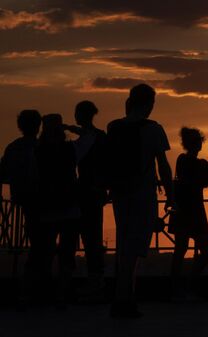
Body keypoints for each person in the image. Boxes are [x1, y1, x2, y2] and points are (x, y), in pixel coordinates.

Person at [107, 84, 174, 318]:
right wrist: (170, 192)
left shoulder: (113, 127)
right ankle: (124, 299)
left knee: (124, 244)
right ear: (149, 104)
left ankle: (122, 297)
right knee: (134, 249)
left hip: (119, 193)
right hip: (142, 193)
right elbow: (163, 165)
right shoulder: (154, 130)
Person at [35, 114, 83, 306]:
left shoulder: (37, 151)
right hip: (69, 206)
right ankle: (63, 291)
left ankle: (46, 291)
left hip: (46, 206)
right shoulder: (70, 148)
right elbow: (88, 137)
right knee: (67, 252)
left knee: (46, 251)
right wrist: (72, 127)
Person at [64, 101, 108, 298]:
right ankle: (95, 279)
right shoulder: (100, 137)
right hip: (94, 192)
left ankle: (89, 280)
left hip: (86, 191)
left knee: (82, 236)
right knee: (92, 237)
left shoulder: (90, 138)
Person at [1, 110, 43, 301]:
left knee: (32, 243)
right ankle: (33, 288)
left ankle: (27, 287)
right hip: (40, 200)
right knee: (40, 245)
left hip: (21, 198)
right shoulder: (41, 147)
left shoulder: (13, 147)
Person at [170, 127, 208, 298]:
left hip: (183, 210)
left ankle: (176, 287)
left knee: (181, 249)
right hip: (194, 211)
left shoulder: (182, 160)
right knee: (206, 249)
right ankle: (188, 283)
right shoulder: (200, 164)